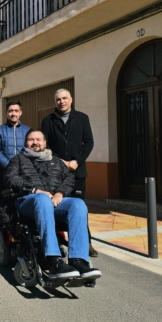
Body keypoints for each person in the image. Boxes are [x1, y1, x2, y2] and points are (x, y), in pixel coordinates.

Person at [3, 129, 101, 281]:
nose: (35, 142)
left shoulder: (56, 161)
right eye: (31, 140)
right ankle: (54, 259)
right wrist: (35, 190)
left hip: (54, 202)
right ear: (26, 143)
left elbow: (69, 179)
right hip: (27, 202)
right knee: (42, 199)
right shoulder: (18, 159)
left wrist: (60, 193)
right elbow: (10, 178)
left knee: (78, 204)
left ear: (44, 142)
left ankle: (78, 261)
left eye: (38, 139)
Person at [40, 88, 98, 256]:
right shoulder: (48, 121)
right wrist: (60, 162)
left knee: (80, 208)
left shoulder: (82, 118)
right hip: (56, 174)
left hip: (77, 172)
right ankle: (57, 239)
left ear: (71, 100)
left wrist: (76, 161)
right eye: (58, 99)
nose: (62, 101)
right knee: (56, 206)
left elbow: (88, 143)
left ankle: (85, 243)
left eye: (65, 98)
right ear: (55, 102)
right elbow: (46, 146)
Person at [0, 100, 31, 207]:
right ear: (6, 113)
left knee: (23, 202)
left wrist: (22, 167)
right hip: (4, 173)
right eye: (10, 111)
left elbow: (31, 151)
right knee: (5, 203)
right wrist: (10, 166)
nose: (13, 114)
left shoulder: (28, 131)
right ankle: (3, 224)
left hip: (23, 174)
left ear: (20, 112)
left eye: (16, 111)